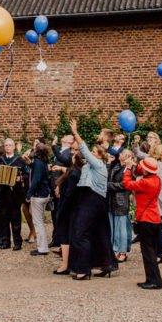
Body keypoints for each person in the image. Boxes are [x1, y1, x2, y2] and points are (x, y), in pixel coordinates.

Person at [68, 120, 115, 281]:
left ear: (100, 156)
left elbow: (84, 151)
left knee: (80, 232)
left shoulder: (99, 165)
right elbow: (82, 158)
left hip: (92, 200)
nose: (92, 154)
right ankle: (105, 264)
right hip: (86, 198)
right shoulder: (89, 165)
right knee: (98, 233)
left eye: (95, 152)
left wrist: (75, 132)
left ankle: (83, 268)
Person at [124, 156, 162, 289]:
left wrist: (128, 168)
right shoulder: (156, 179)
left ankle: (154, 280)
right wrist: (136, 166)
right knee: (150, 250)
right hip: (154, 218)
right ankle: (152, 279)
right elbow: (141, 172)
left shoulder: (145, 183)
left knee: (148, 252)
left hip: (146, 219)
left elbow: (127, 184)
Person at [0, 138, 27, 250]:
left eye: (10, 145)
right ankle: (5, 242)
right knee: (3, 219)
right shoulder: (0, 160)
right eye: (6, 145)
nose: (8, 147)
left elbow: (27, 175)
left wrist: (20, 178)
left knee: (16, 220)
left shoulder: (20, 160)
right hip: (2, 193)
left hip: (15, 194)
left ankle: (17, 243)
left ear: (13, 147)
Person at [25, 141, 52, 256]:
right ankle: (43, 246)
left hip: (38, 195)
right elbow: (39, 171)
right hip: (45, 194)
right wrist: (30, 164)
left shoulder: (38, 163)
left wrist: (28, 195)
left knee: (38, 222)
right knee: (39, 219)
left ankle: (42, 248)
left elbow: (35, 180)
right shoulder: (42, 162)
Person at [106, 149, 133, 262]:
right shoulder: (115, 166)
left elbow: (125, 185)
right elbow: (106, 176)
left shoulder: (129, 169)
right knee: (112, 227)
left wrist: (109, 186)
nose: (119, 155)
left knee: (122, 227)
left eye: (122, 154)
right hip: (111, 200)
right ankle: (114, 249)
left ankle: (123, 251)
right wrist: (108, 164)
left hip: (121, 200)